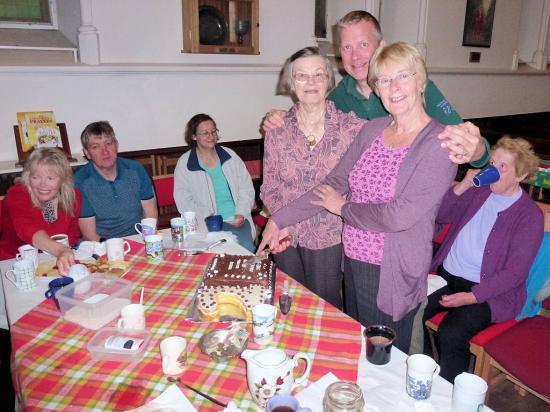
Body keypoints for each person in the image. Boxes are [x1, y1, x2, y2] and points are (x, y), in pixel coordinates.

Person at [258, 42, 457, 352]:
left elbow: (399, 216)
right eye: (384, 80)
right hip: (355, 260)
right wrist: (279, 219)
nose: (394, 87)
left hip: (392, 267)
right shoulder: (373, 130)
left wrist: (344, 208)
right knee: (357, 346)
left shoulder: (440, 142)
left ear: (421, 81)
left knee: (389, 354)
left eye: (402, 76)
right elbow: (333, 182)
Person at [263, 10, 489, 167]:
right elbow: (308, 125)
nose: (355, 56)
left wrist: (477, 150)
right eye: (347, 47)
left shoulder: (415, 90)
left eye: (363, 45)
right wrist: (280, 118)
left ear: (381, 45)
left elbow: (472, 146)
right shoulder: (337, 99)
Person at [423, 136, 544, 383]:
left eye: (503, 167)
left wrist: (472, 296)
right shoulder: (478, 191)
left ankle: (450, 391)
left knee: (451, 332)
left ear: (520, 176)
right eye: (492, 162)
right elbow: (442, 215)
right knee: (408, 309)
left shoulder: (529, 216)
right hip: (447, 275)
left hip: (489, 291)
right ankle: (426, 367)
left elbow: (514, 273)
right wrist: (463, 185)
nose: (493, 170)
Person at [260, 47, 364, 309]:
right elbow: (269, 186)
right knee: (290, 302)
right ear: (291, 83)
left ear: (329, 80)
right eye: (302, 76)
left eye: (318, 74)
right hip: (285, 234)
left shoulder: (351, 129)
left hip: (328, 233)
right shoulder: (278, 129)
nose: (311, 82)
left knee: (325, 307)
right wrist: (280, 220)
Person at [173, 114, 256, 252]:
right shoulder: (185, 163)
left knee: (245, 249)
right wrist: (205, 215)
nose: (211, 136)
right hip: (205, 222)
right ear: (194, 136)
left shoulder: (230, 157)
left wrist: (241, 213)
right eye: (205, 133)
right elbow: (183, 199)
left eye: (213, 131)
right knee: (212, 255)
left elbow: (246, 188)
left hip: (236, 220)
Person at [0, 148, 81, 274]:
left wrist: (63, 256)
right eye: (36, 177)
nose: (42, 185)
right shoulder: (17, 193)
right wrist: (61, 250)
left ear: (63, 179)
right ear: (28, 177)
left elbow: (72, 235)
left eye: (50, 178)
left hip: (54, 264)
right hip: (13, 266)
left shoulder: (73, 196)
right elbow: (27, 229)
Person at [74, 121, 158, 241]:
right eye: (95, 147)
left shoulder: (136, 169)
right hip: (102, 244)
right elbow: (89, 234)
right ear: (87, 153)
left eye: (108, 143)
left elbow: (150, 215)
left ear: (116, 145)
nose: (105, 151)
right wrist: (115, 248)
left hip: (139, 238)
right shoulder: (80, 181)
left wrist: (148, 241)